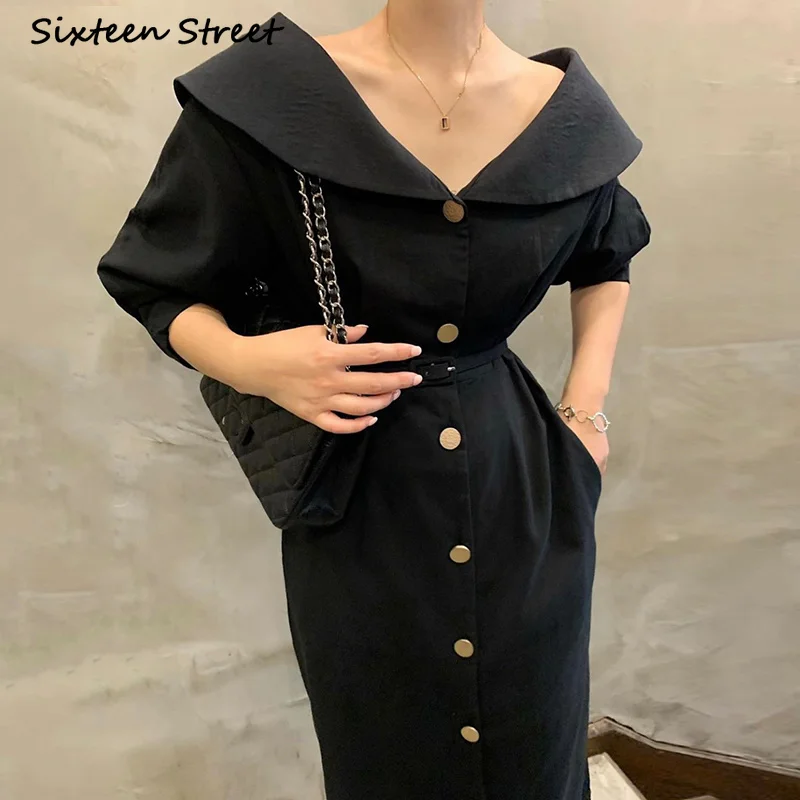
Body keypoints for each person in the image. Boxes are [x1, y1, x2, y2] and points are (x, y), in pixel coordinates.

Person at [96, 3, 652, 799]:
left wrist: (585, 412)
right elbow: (154, 279)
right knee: (385, 748)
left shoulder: (562, 115)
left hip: (524, 489)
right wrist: (250, 363)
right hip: (358, 499)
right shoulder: (269, 92)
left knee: (535, 743)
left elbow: (608, 254)